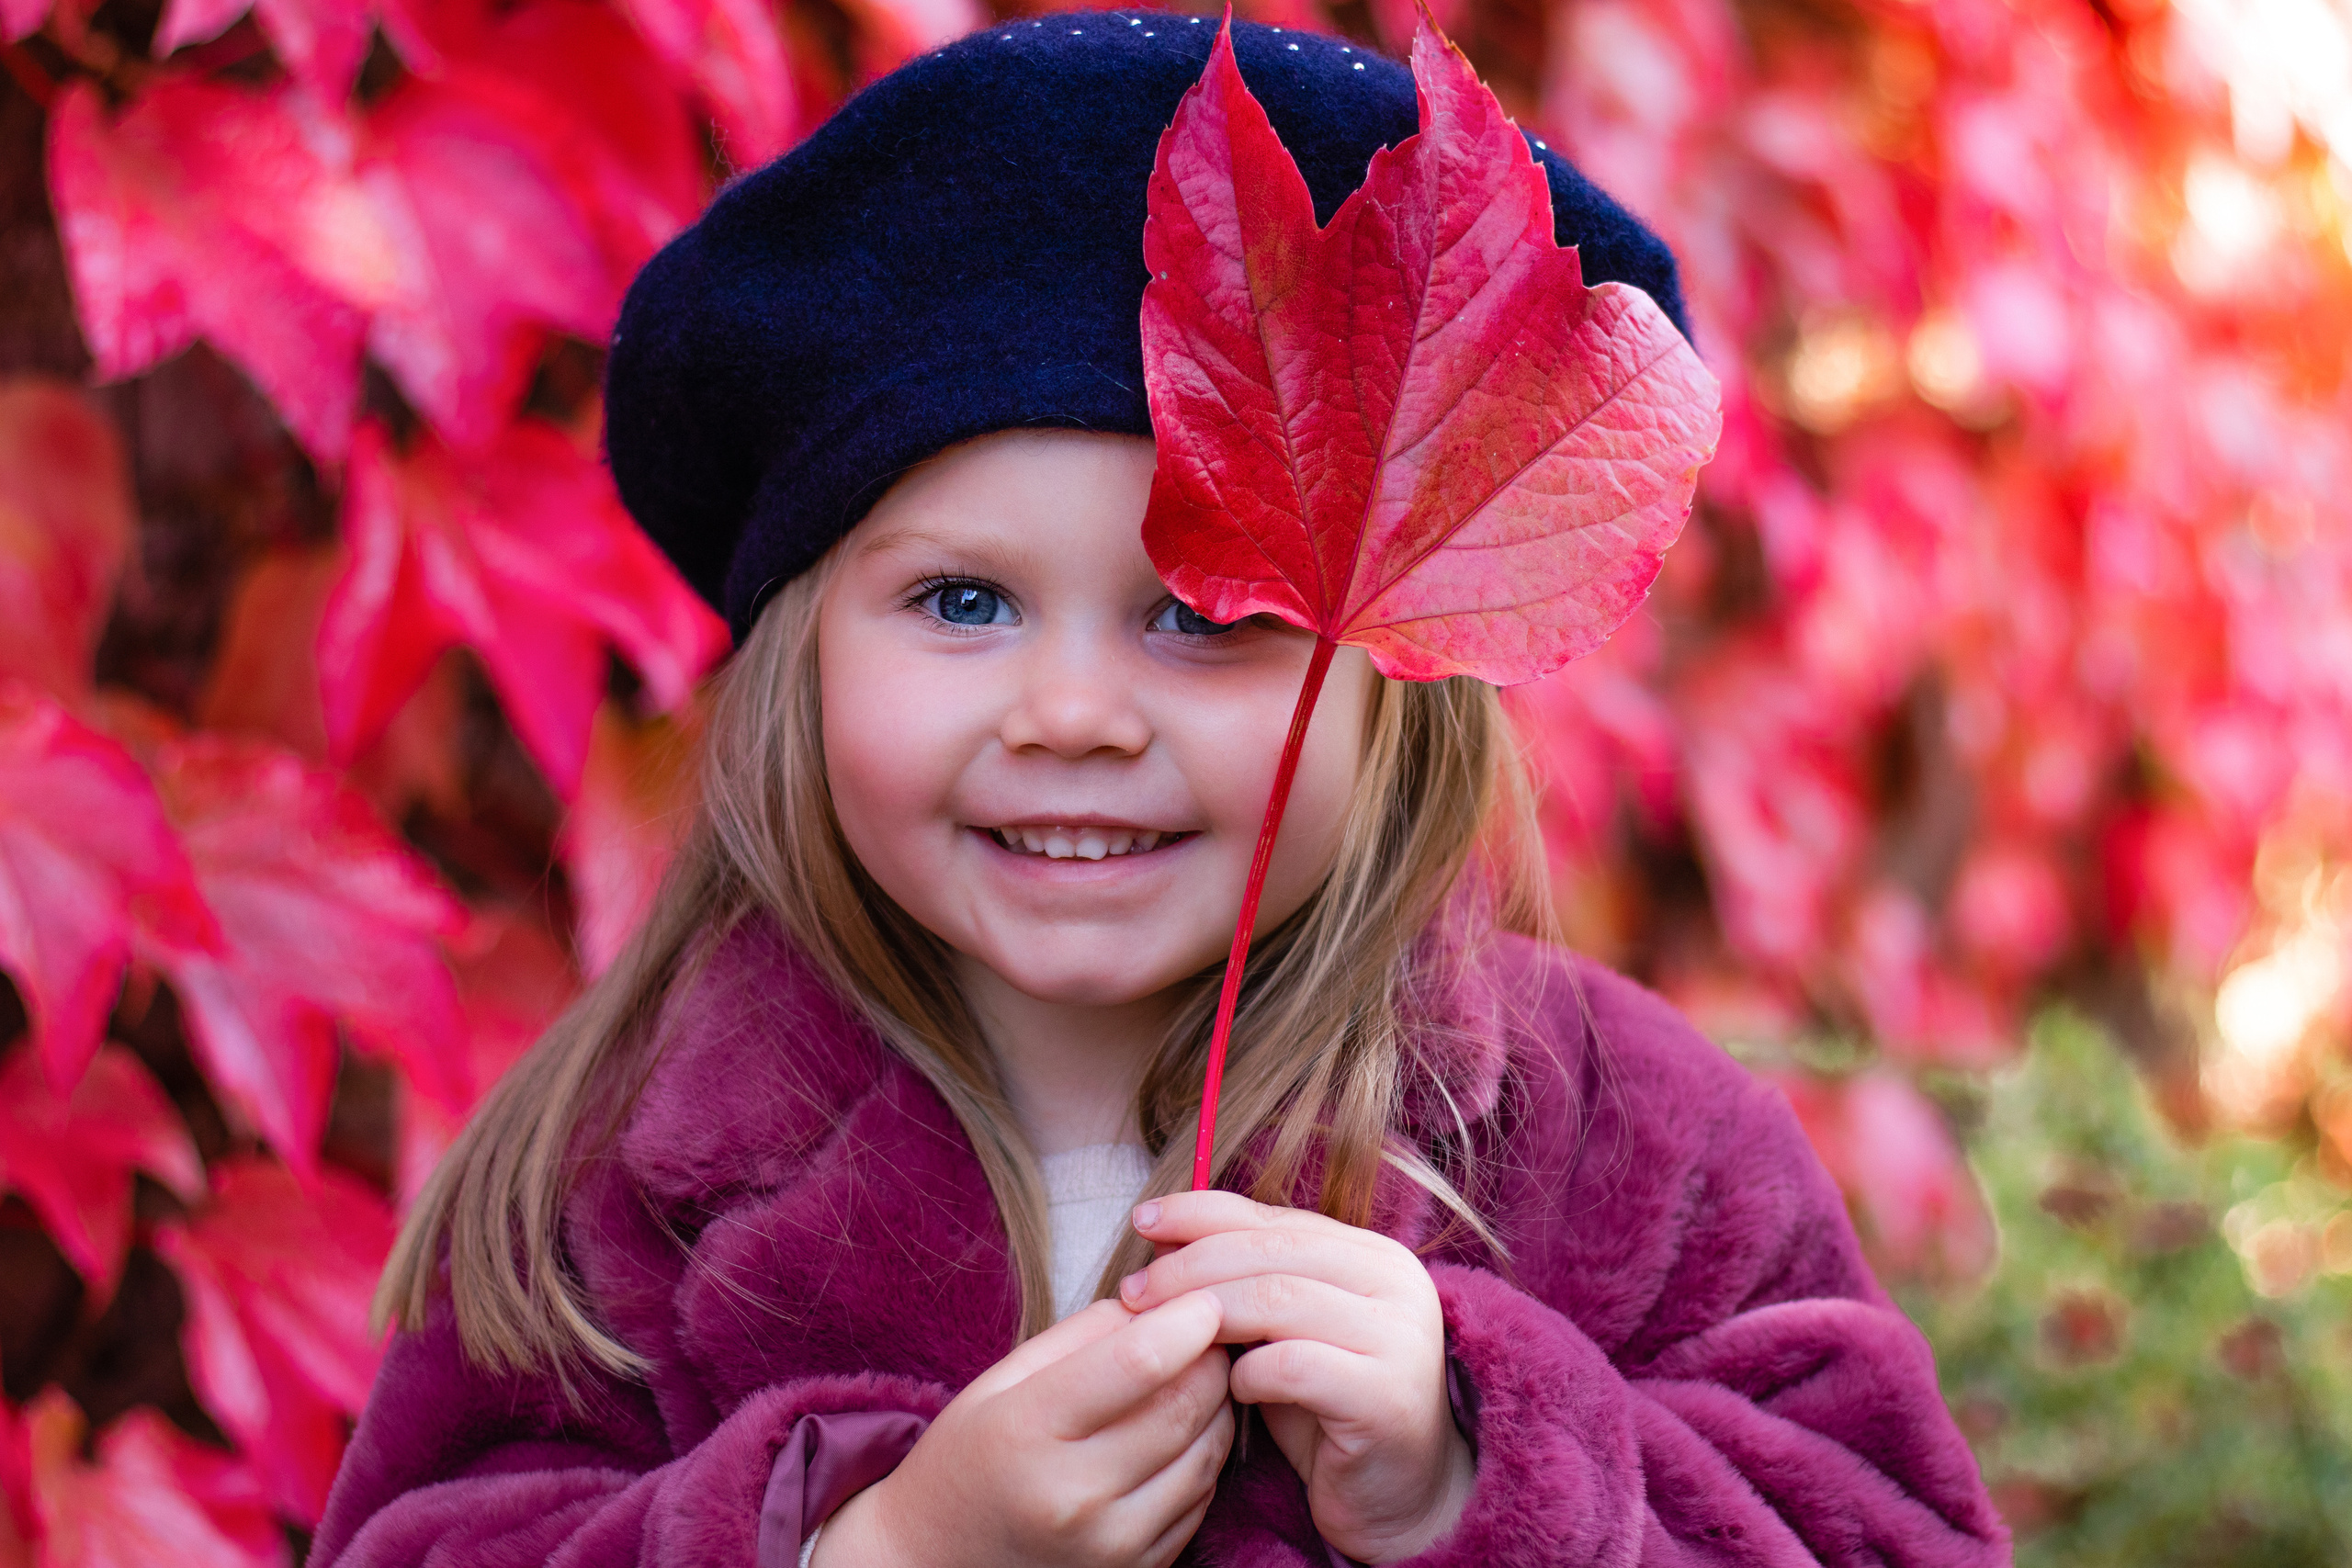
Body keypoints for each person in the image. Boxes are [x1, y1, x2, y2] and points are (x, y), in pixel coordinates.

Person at [313, 14, 2009, 1568]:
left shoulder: (1627, 1144)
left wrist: (1466, 1480)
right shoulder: (615, 1169)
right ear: (798, 663)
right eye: (962, 601)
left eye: (1202, 618)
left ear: (1396, 675)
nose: (1070, 713)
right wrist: (885, 1554)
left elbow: (1882, 1531)